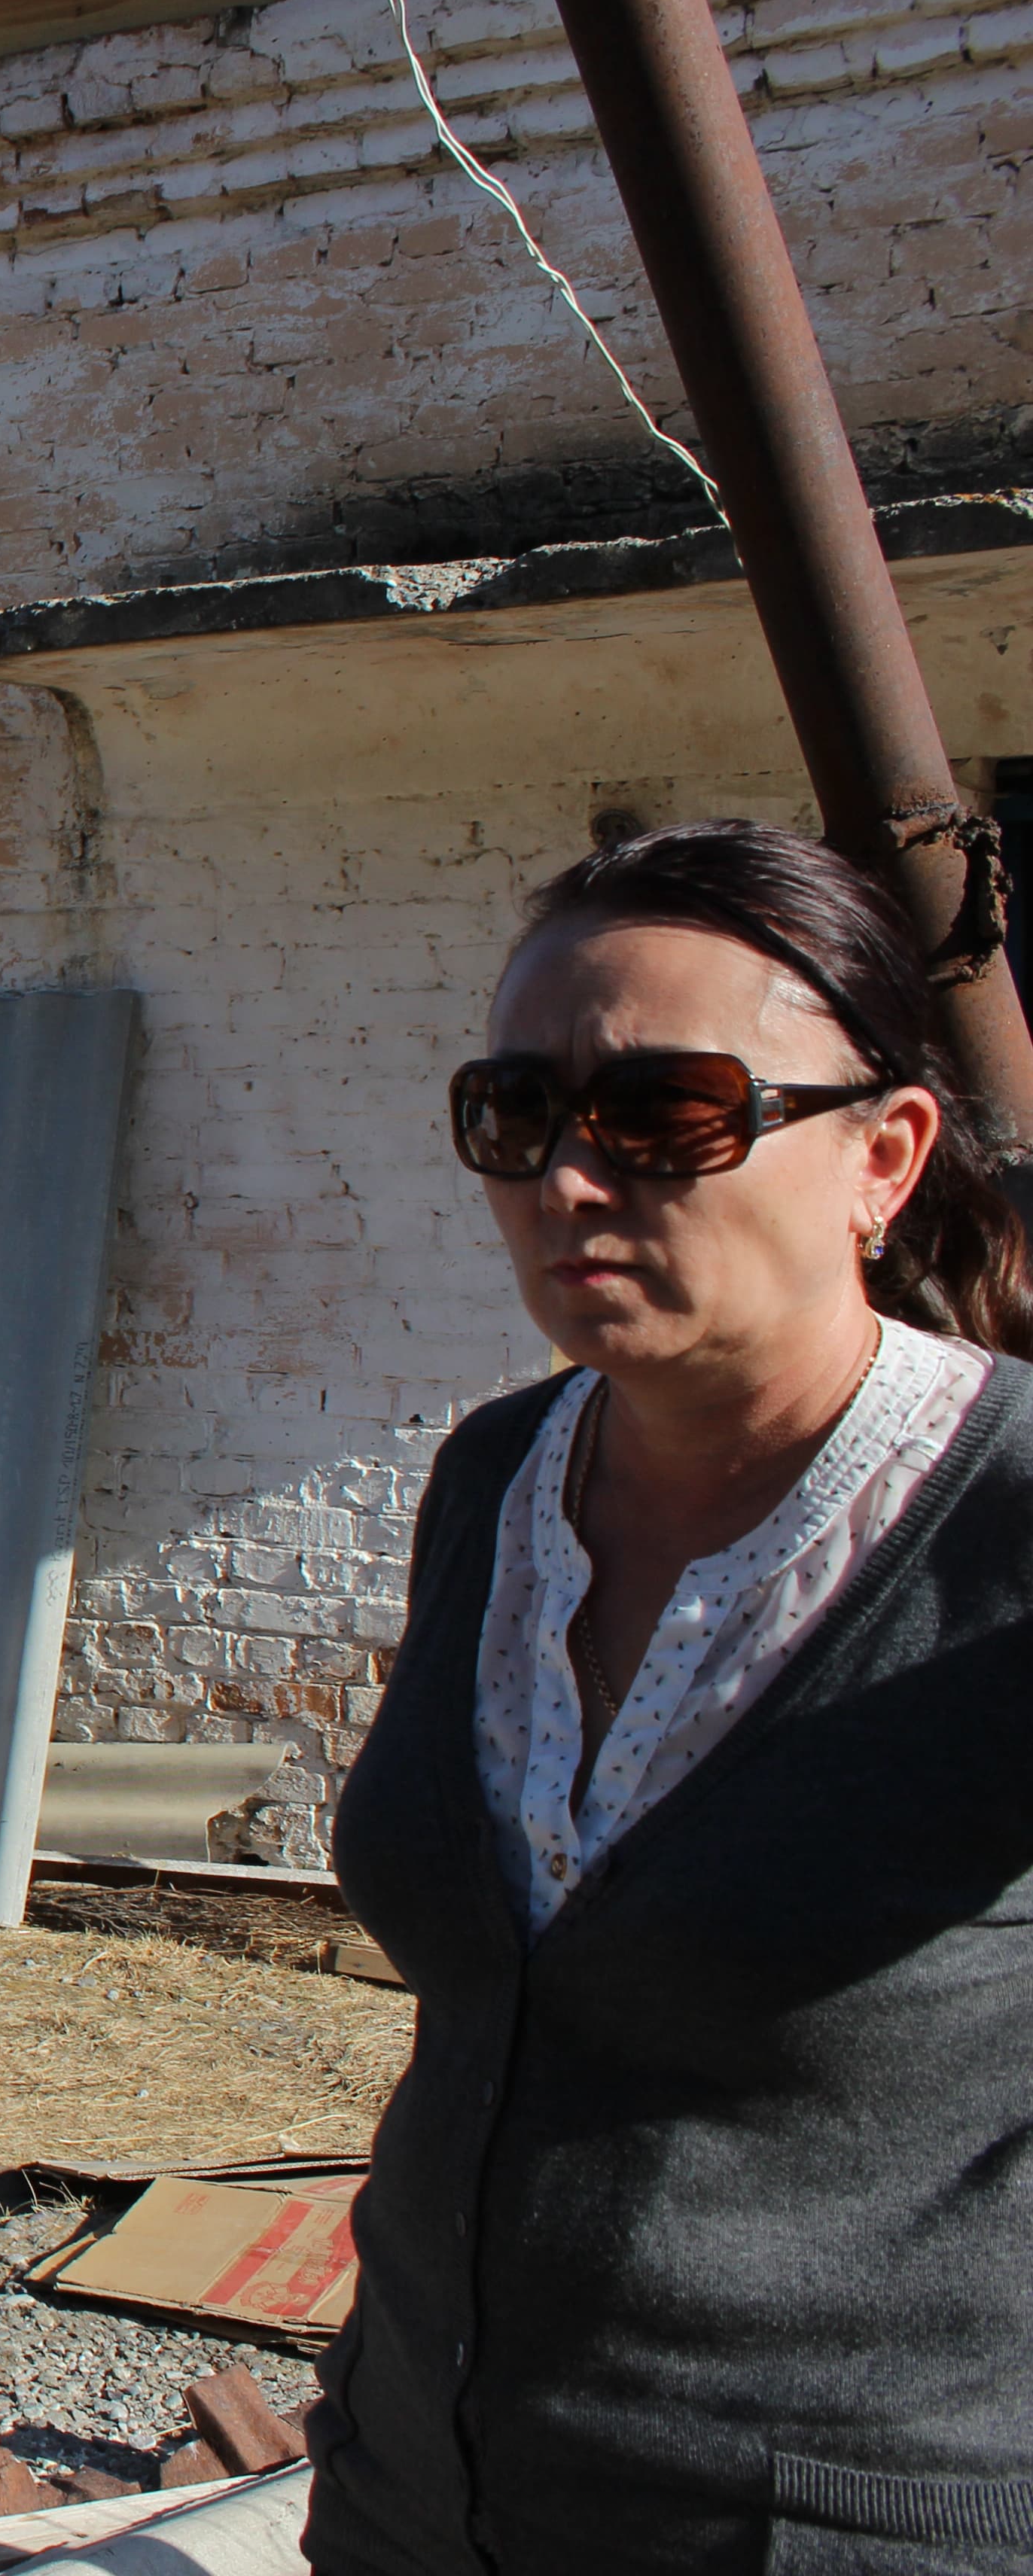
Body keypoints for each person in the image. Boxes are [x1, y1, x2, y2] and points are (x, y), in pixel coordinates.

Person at [309, 821, 1033, 2574]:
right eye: (513, 1111)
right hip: (415, 2490)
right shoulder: (492, 1480)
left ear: (882, 1153)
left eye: (662, 1115)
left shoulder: (1005, 1526)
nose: (565, 1177)